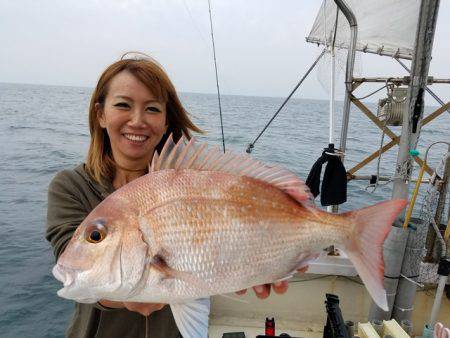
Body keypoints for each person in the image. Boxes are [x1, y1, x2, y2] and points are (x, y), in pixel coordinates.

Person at [46, 53, 306, 338]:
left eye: (152, 109)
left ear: (166, 117)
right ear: (101, 114)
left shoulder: (193, 178)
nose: (137, 120)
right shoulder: (70, 186)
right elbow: (77, 268)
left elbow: (217, 249)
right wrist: (133, 291)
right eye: (123, 105)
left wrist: (263, 261)